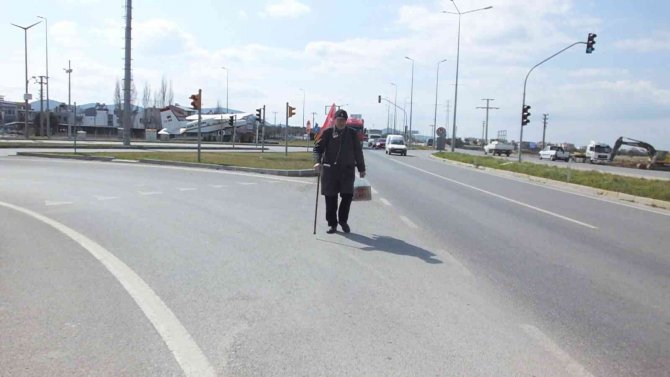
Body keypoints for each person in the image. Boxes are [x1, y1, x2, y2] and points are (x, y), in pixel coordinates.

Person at [313, 109, 366, 234]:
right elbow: (317, 149)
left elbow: (358, 152)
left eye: (343, 120)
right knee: (330, 199)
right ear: (334, 120)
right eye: (339, 120)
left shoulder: (352, 134)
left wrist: (361, 168)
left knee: (347, 197)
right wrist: (317, 161)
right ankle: (332, 224)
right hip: (330, 171)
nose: (341, 122)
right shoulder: (327, 133)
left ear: (346, 121)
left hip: (347, 172)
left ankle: (343, 221)